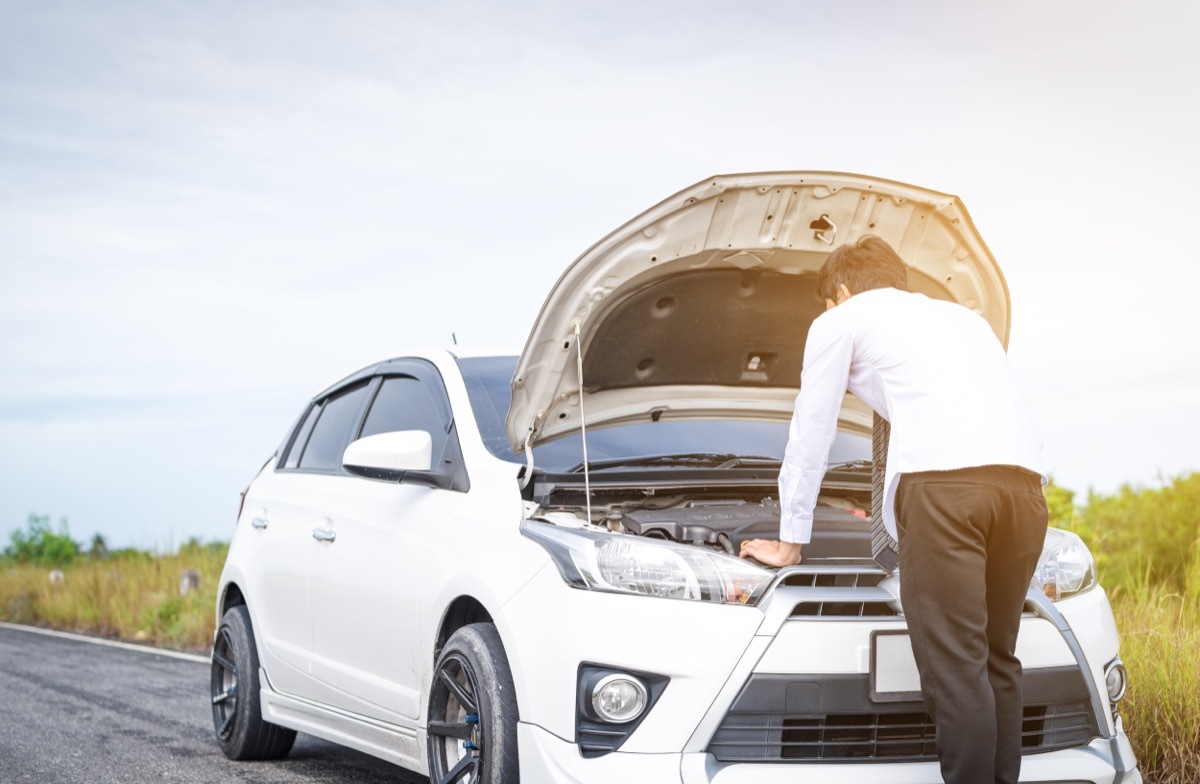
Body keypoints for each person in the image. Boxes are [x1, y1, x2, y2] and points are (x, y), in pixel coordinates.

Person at [739, 235, 1049, 784]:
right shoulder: (966, 320)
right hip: (1024, 492)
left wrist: (792, 536)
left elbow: (813, 427)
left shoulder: (842, 319)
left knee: (956, 673)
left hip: (946, 493)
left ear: (841, 290)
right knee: (997, 661)